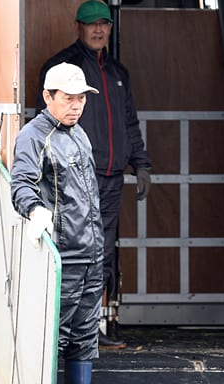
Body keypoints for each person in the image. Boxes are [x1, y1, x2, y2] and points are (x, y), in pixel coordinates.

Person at [37, 0, 152, 348]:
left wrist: (141, 163)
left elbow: (129, 122)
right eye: (91, 24)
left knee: (102, 253)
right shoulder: (61, 69)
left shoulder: (118, 74)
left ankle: (91, 330)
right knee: (72, 250)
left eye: (104, 23)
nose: (98, 29)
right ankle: (59, 329)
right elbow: (47, 124)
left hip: (112, 177)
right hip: (74, 178)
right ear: (78, 28)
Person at [12, 62, 106, 384]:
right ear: (48, 96)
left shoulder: (80, 134)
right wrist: (34, 211)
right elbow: (22, 183)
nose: (76, 105)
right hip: (62, 254)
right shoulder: (33, 136)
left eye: (81, 97)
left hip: (92, 252)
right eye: (68, 98)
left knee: (85, 334)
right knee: (56, 335)